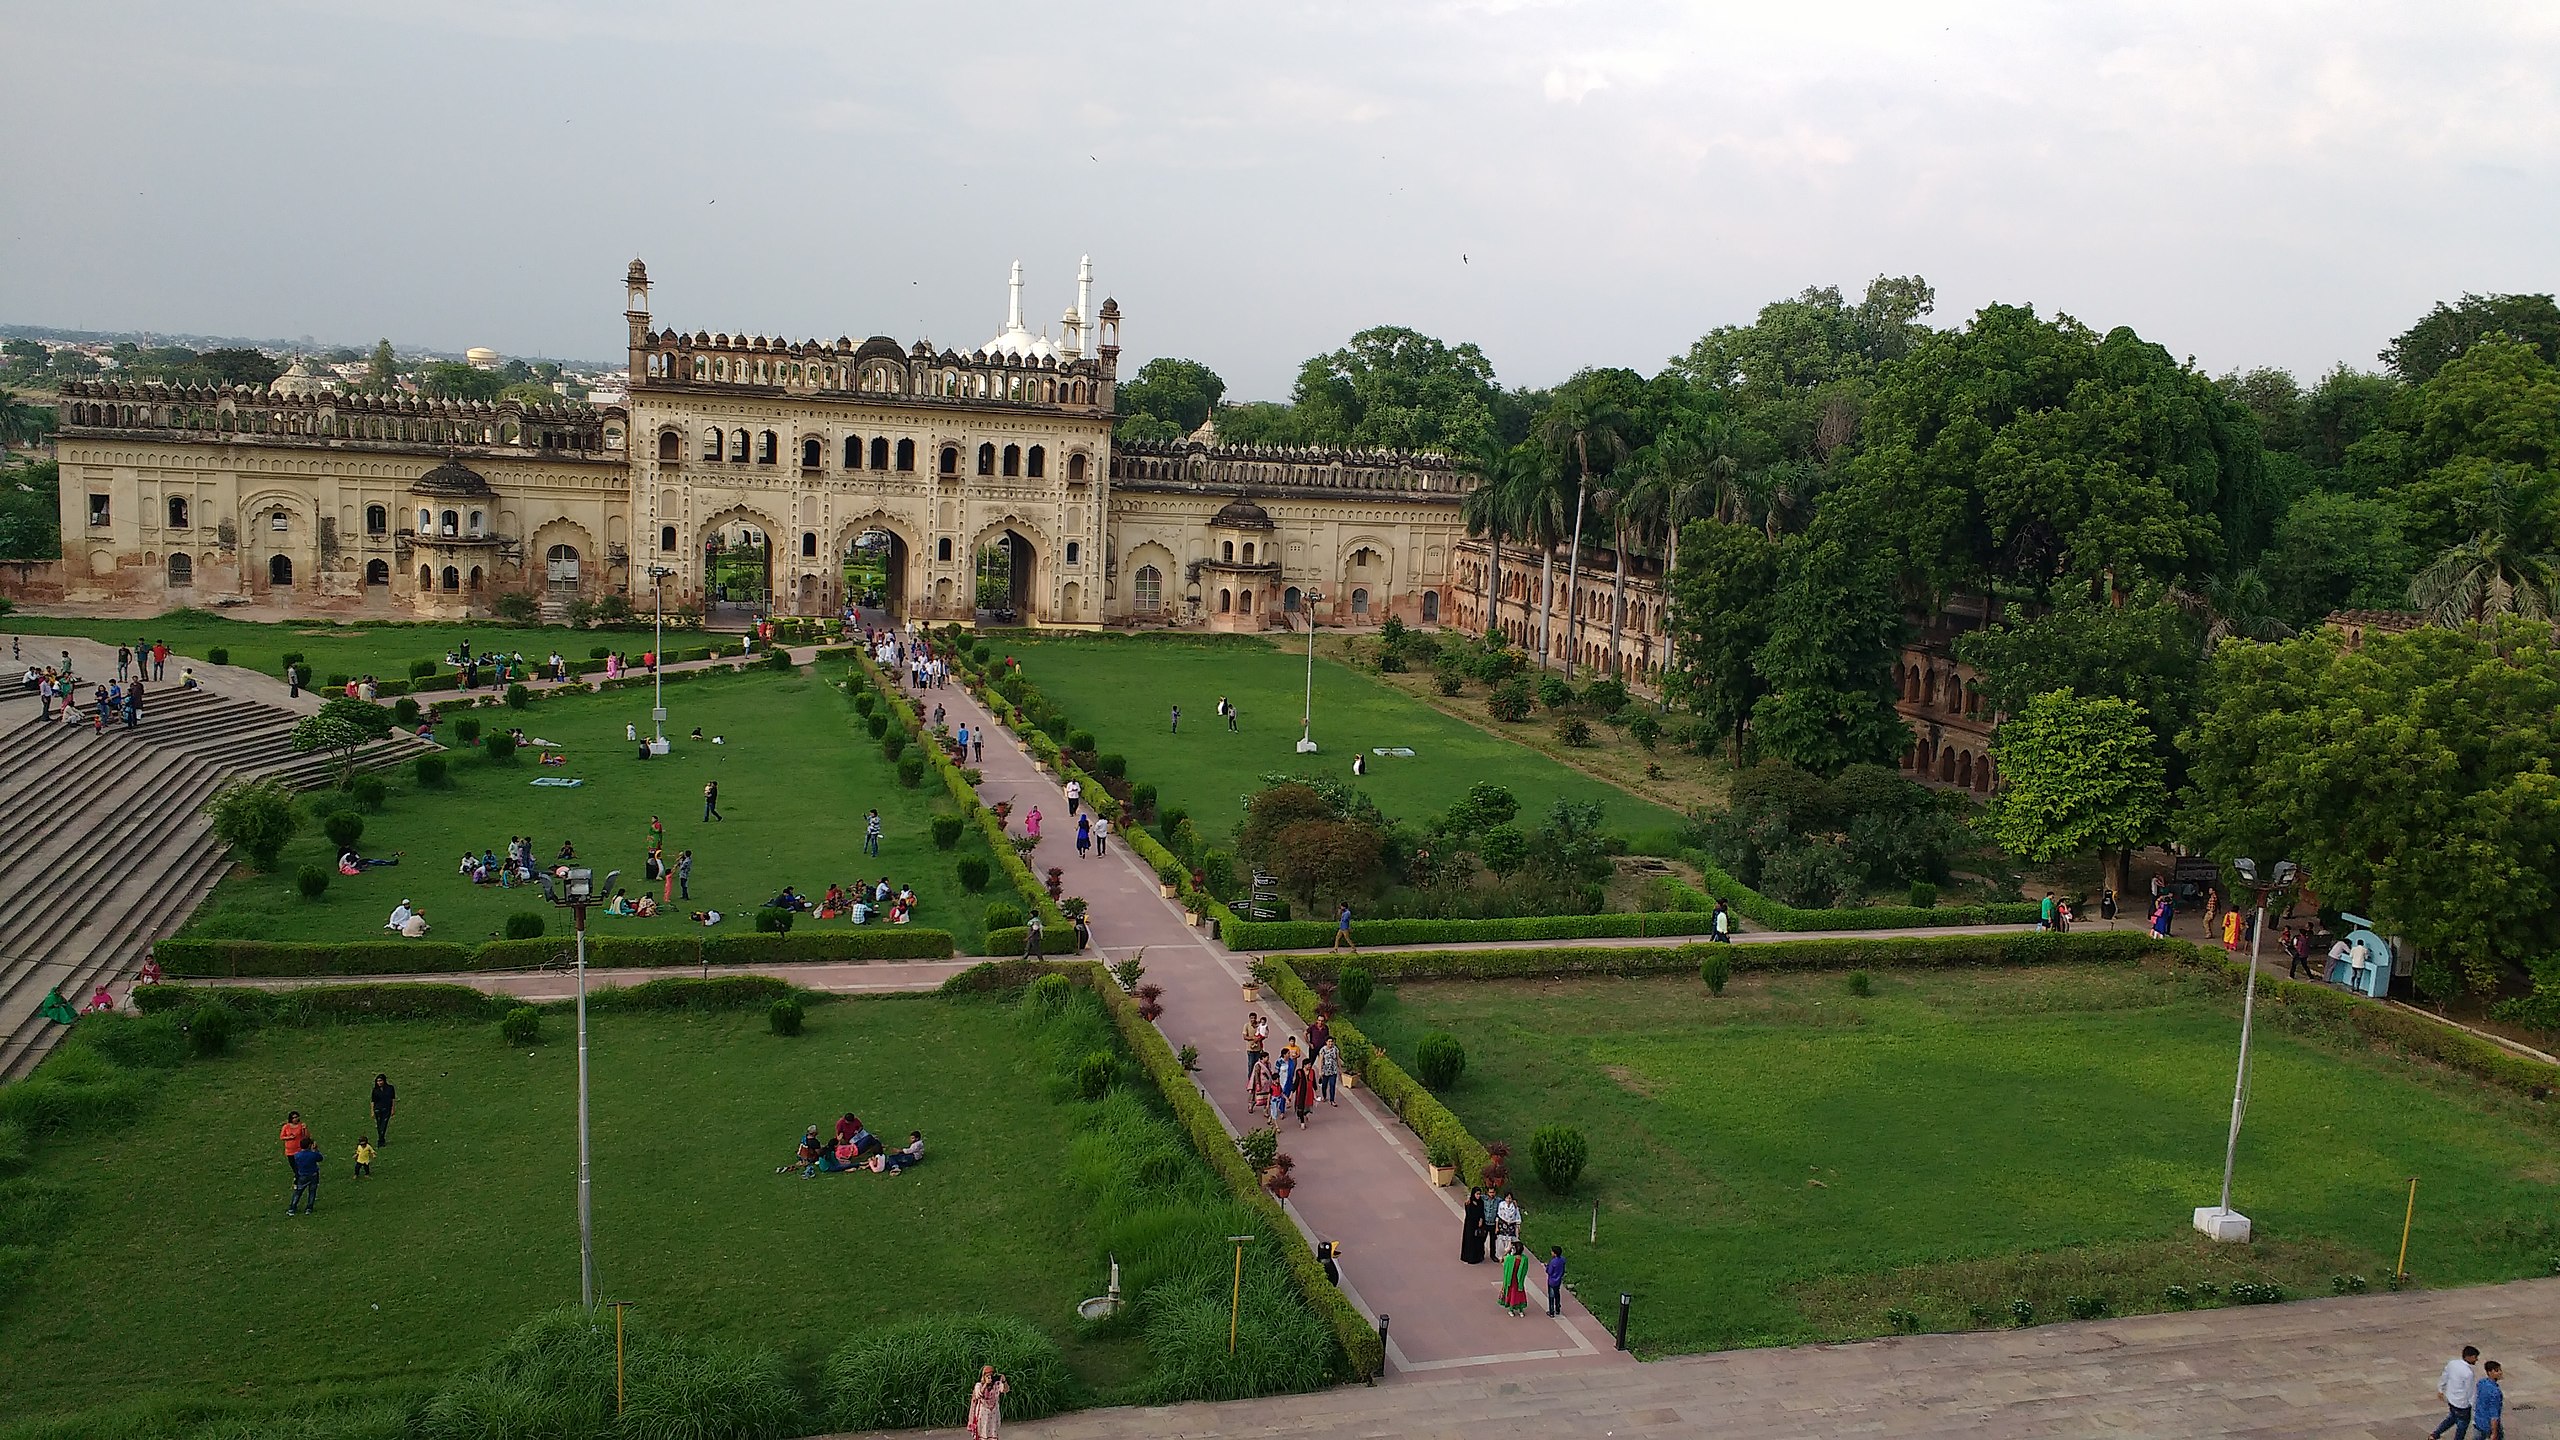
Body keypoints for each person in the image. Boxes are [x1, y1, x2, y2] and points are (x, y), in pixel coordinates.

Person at [2435, 1346, 2480, 1440]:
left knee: (2452, 1417)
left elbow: (2445, 1375)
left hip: (2451, 1399)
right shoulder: (2468, 1373)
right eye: (2475, 1357)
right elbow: (2470, 1392)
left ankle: (2435, 1434)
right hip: (2462, 1404)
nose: (2476, 1359)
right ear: (2469, 1357)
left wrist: (2440, 1388)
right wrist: (2474, 1407)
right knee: (2462, 1427)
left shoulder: (2452, 1363)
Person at [967, 1365, 1008, 1439]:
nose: (990, 1378)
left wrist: (1004, 1381)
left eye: (991, 1376)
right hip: (983, 1414)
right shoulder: (979, 1385)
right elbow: (979, 1395)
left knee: (993, 1435)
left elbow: (1005, 1390)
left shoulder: (996, 1384)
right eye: (987, 1376)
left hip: (994, 1413)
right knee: (982, 1435)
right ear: (983, 1377)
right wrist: (986, 1384)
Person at [288, 1137, 324, 1216]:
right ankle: (309, 1208)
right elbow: (320, 1158)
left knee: (298, 1192)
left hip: (302, 1175)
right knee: (312, 1191)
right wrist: (316, 1150)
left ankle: (292, 1208)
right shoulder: (313, 1155)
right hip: (313, 1174)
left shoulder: (297, 1155)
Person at [2475, 1360, 2504, 1440]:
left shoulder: (2481, 1383)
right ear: (2490, 1372)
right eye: (2497, 1371)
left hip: (2478, 1422)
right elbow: (2494, 1414)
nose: (2500, 1372)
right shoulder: (2495, 1392)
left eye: (2500, 1370)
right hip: (2488, 1425)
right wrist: (2494, 1433)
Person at [1499, 1244, 1530, 1316]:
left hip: (1511, 1279)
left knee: (1511, 1293)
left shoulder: (1510, 1258)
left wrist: (1507, 1251)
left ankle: (1511, 1309)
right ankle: (1521, 1310)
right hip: (1519, 1280)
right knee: (1519, 1293)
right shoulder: (1524, 1259)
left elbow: (1501, 1260)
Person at [1460, 1186, 1488, 1264]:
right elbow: (1470, 1214)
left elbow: (1482, 1212)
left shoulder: (1481, 1202)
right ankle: (1469, 1257)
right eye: (1477, 1194)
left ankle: (1478, 1257)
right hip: (1470, 1225)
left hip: (1479, 1225)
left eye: (1479, 1194)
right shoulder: (1469, 1203)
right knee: (1469, 1241)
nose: (1478, 1196)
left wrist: (1481, 1220)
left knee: (1478, 1241)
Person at [1496, 1190, 1523, 1259]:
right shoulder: (1501, 1204)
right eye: (1507, 1198)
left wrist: (1517, 1225)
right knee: (1501, 1240)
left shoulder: (1514, 1206)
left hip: (1511, 1225)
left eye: (1510, 1198)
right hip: (1503, 1224)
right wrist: (1497, 1226)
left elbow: (1517, 1215)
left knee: (1510, 1241)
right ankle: (1500, 1255)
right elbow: (1499, 1215)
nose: (1508, 1200)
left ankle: (1508, 1254)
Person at [371, 1073, 397, 1146]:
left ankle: (381, 1139)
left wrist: (393, 1109)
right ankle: (381, 1140)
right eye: (378, 1081)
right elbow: (373, 1101)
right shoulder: (375, 1090)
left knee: (384, 1125)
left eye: (380, 1081)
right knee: (379, 1125)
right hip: (378, 1109)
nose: (379, 1083)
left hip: (386, 1109)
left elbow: (393, 1099)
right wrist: (372, 1111)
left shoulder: (390, 1088)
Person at [1316, 1036, 1341, 1105]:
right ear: (1326, 1042)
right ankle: (1324, 1096)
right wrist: (1320, 1071)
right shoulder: (1323, 1050)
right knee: (1324, 1085)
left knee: (1332, 1085)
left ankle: (1332, 1100)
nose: (1330, 1043)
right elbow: (1320, 1060)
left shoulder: (1335, 1049)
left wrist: (1340, 1069)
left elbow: (1338, 1059)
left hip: (1333, 1070)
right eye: (1329, 1042)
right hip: (1325, 1071)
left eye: (1331, 1041)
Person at [1545, 1245, 1568, 1317]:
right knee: (1557, 1294)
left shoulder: (1553, 1262)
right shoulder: (1562, 1260)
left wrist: (1547, 1267)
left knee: (1551, 1296)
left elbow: (1549, 1271)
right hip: (1558, 1280)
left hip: (1552, 1281)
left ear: (1555, 1253)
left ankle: (1551, 1312)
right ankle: (1558, 1309)